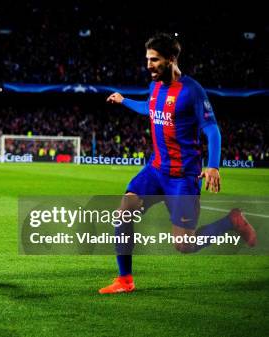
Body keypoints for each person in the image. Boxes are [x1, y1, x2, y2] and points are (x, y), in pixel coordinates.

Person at [101, 33, 257, 294]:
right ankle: (124, 280)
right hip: (156, 169)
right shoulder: (154, 86)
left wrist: (214, 165)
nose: (149, 65)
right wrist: (124, 100)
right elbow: (150, 109)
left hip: (182, 177)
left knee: (184, 245)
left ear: (171, 59)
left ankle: (231, 221)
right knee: (123, 213)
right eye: (148, 59)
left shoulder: (192, 91)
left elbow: (212, 129)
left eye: (155, 60)